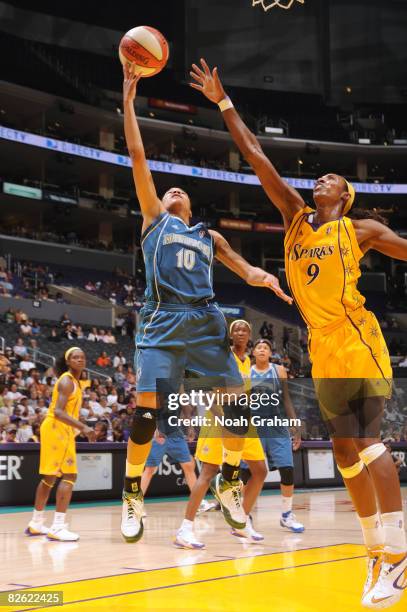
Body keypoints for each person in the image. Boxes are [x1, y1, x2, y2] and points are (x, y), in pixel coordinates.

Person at [190, 58, 407, 608]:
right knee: (342, 453)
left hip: (356, 334)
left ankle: (400, 557)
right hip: (321, 343)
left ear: (346, 196)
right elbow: (257, 157)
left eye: (333, 179)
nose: (321, 178)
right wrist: (223, 102)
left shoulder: (360, 230)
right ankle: (375, 552)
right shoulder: (293, 218)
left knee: (366, 440)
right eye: (320, 176)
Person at [120, 65, 291, 545]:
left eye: (181, 190)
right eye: (168, 188)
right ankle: (132, 492)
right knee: (147, 411)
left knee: (237, 399)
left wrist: (267, 280)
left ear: (191, 205)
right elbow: (136, 154)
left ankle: (230, 484)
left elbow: (244, 269)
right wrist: (129, 102)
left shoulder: (206, 235)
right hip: (160, 318)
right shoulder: (155, 220)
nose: (172, 190)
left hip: (205, 320)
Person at [175, 320, 267, 549]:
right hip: (219, 420)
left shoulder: (248, 362)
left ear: (250, 335)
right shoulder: (221, 357)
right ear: (230, 334)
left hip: (243, 423)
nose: (241, 332)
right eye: (236, 329)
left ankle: (240, 521)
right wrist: (222, 415)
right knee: (207, 473)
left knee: (260, 470)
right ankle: (185, 529)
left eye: (245, 329)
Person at [25, 348, 96, 541]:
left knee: (49, 477)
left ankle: (36, 523)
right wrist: (84, 427)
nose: (80, 359)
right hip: (57, 427)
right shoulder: (66, 381)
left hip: (56, 428)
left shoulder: (74, 381)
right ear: (68, 361)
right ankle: (57, 527)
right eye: (75, 357)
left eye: (82, 357)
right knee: (70, 475)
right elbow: (58, 411)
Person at [250, 339, 304, 533]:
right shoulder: (246, 372)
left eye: (266, 348)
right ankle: (245, 515)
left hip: (276, 423)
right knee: (248, 473)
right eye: (259, 347)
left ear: (271, 353)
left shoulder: (279, 370)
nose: (263, 350)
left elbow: (286, 399)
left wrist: (295, 425)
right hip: (254, 425)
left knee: (287, 469)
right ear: (253, 352)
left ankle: (287, 515)